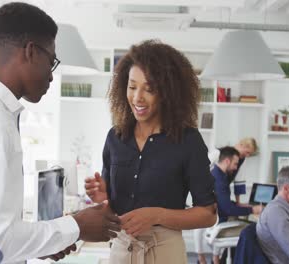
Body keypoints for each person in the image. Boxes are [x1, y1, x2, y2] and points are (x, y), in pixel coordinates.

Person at [0, 3, 120, 264]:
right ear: (31, 52)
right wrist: (76, 226)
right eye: (51, 62)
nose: (52, 77)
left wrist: (46, 242)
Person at [85, 40, 217, 264]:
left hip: (165, 251)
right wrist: (104, 197)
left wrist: (157, 215)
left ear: (168, 92)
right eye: (132, 86)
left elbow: (208, 214)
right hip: (121, 249)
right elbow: (111, 207)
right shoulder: (115, 138)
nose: (137, 97)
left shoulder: (188, 141)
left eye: (149, 89)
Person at [209, 146, 263, 264]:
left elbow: (224, 203)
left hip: (216, 222)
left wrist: (246, 207)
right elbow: (227, 209)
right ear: (227, 161)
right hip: (219, 226)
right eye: (235, 164)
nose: (236, 167)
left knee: (249, 226)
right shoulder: (219, 180)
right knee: (255, 231)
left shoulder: (216, 174)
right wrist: (253, 209)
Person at [208, 137, 258, 204]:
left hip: (221, 192)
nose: (248, 156)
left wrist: (238, 202)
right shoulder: (218, 153)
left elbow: (239, 181)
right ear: (242, 145)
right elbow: (200, 168)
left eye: (250, 154)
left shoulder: (242, 160)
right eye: (247, 152)